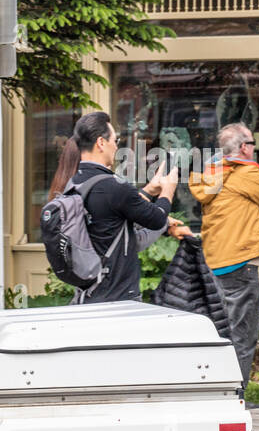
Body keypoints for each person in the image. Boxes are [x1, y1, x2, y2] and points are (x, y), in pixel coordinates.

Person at [48, 111, 182, 303]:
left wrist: (149, 190)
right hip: (118, 297)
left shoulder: (74, 183)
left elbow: (115, 216)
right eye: (115, 140)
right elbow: (157, 218)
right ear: (101, 143)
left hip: (88, 295)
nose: (117, 146)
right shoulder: (114, 186)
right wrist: (168, 189)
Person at [189, 123, 259, 382]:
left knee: (224, 331)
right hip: (241, 262)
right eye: (253, 143)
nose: (255, 148)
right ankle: (236, 396)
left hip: (217, 260)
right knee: (243, 336)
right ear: (244, 147)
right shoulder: (246, 174)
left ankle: (219, 390)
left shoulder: (212, 174)